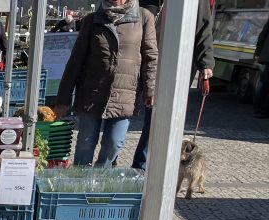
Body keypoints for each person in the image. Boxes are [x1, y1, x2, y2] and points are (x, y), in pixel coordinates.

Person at [56, 0, 158, 167]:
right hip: (91, 93)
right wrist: (63, 99)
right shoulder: (92, 20)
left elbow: (151, 57)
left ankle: (100, 180)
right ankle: (80, 187)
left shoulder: (144, 17)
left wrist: (150, 90)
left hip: (125, 94)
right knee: (85, 145)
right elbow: (75, 60)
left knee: (114, 143)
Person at [131, 0, 215, 170]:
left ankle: (146, 167)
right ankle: (133, 166)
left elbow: (202, 28)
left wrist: (206, 62)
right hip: (140, 61)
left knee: (158, 116)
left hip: (176, 63)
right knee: (125, 114)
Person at [255, 16, 269, 118]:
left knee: (263, 84)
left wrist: (258, 53)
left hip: (266, 57)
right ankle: (263, 110)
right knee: (264, 85)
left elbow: (262, 36)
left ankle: (258, 109)